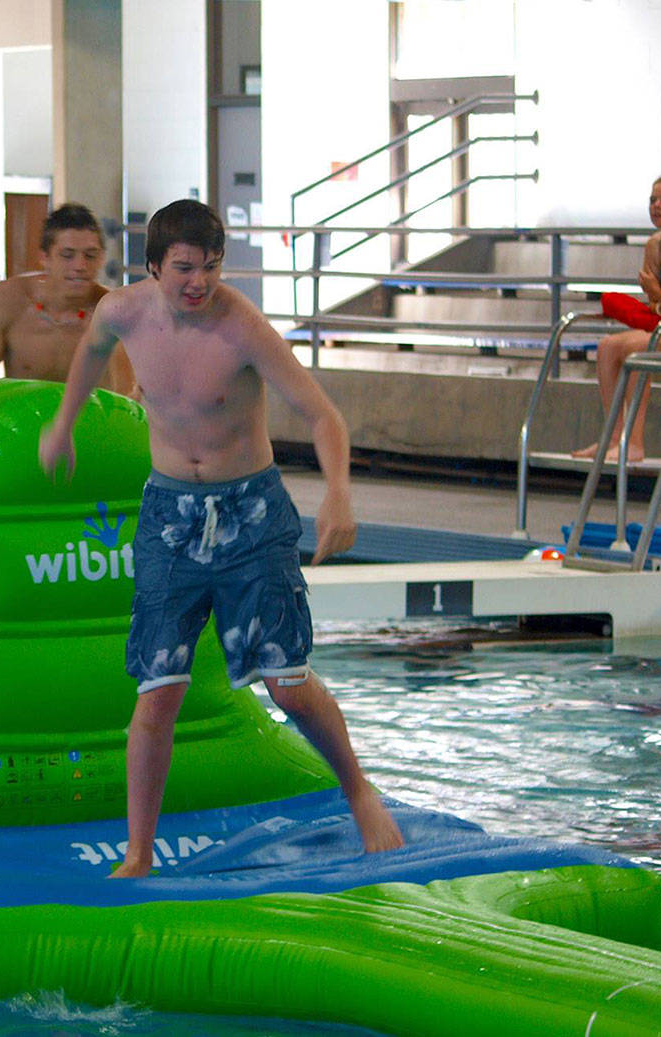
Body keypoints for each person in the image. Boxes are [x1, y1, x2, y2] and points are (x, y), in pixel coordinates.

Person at [38, 199, 404, 877]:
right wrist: (63, 422)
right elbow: (91, 354)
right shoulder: (122, 312)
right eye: (183, 269)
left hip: (251, 515)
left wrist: (339, 495)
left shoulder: (242, 327)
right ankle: (140, 850)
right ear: (152, 267)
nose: (198, 282)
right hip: (170, 515)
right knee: (158, 690)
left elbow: (322, 415)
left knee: (287, 683)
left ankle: (358, 791)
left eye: (210, 267)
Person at [0, 202, 136, 396]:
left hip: (89, 423)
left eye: (90, 256)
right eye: (67, 255)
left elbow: (127, 399)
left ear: (101, 259)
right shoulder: (5, 302)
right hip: (24, 422)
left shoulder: (113, 314)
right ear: (44, 257)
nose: (80, 265)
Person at [572, 174, 661, 462]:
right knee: (607, 346)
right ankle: (614, 438)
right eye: (653, 200)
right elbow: (656, 302)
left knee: (636, 349)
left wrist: (658, 300)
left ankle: (636, 443)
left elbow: (658, 301)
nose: (656, 206)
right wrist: (658, 302)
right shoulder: (654, 245)